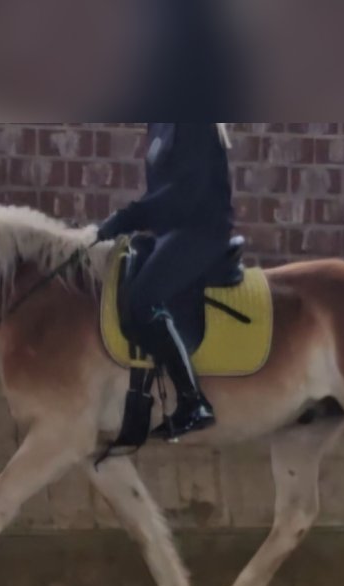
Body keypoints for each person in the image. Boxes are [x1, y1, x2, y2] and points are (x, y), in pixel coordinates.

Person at [97, 123, 235, 440]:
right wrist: (128, 220)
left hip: (201, 231)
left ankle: (193, 401)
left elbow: (184, 193)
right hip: (171, 232)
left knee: (143, 299)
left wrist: (128, 217)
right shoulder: (159, 123)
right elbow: (160, 193)